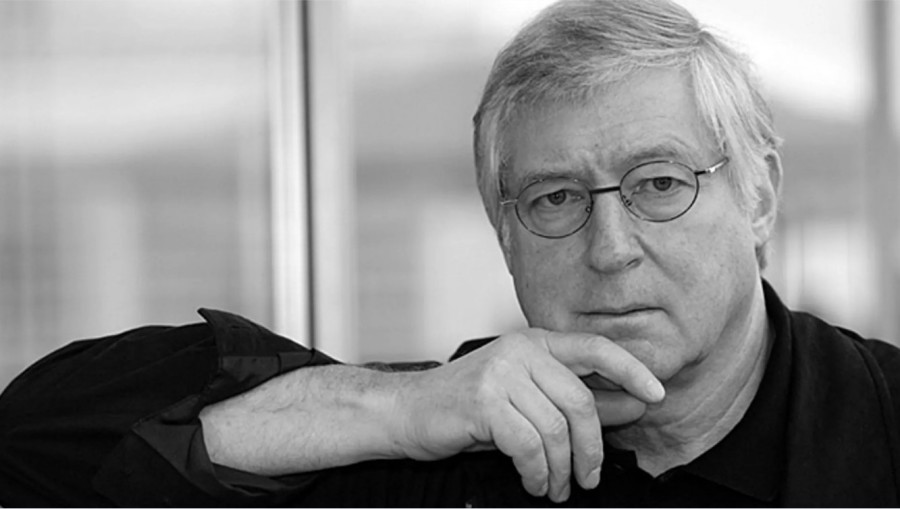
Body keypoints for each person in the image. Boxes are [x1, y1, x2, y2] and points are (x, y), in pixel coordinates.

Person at [3, 0, 900, 506]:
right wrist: (395, 407)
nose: (611, 248)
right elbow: (38, 448)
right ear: (504, 236)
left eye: (659, 183)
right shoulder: (433, 448)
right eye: (556, 199)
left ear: (760, 194)